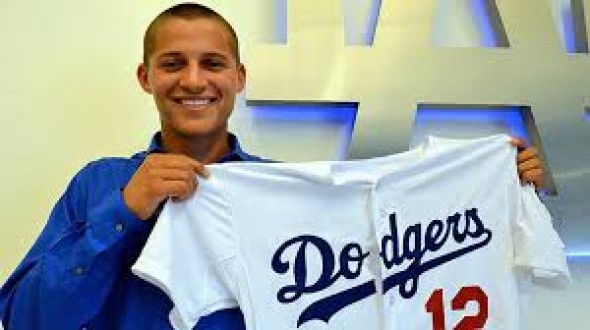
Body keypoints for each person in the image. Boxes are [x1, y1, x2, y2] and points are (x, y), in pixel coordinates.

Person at [0, 3, 545, 330]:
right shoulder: (100, 185)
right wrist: (122, 214)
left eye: (212, 64)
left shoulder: (287, 193)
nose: (193, 81)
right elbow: (26, 321)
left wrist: (498, 190)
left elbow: (386, 276)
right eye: (173, 64)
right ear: (146, 78)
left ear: (239, 77)